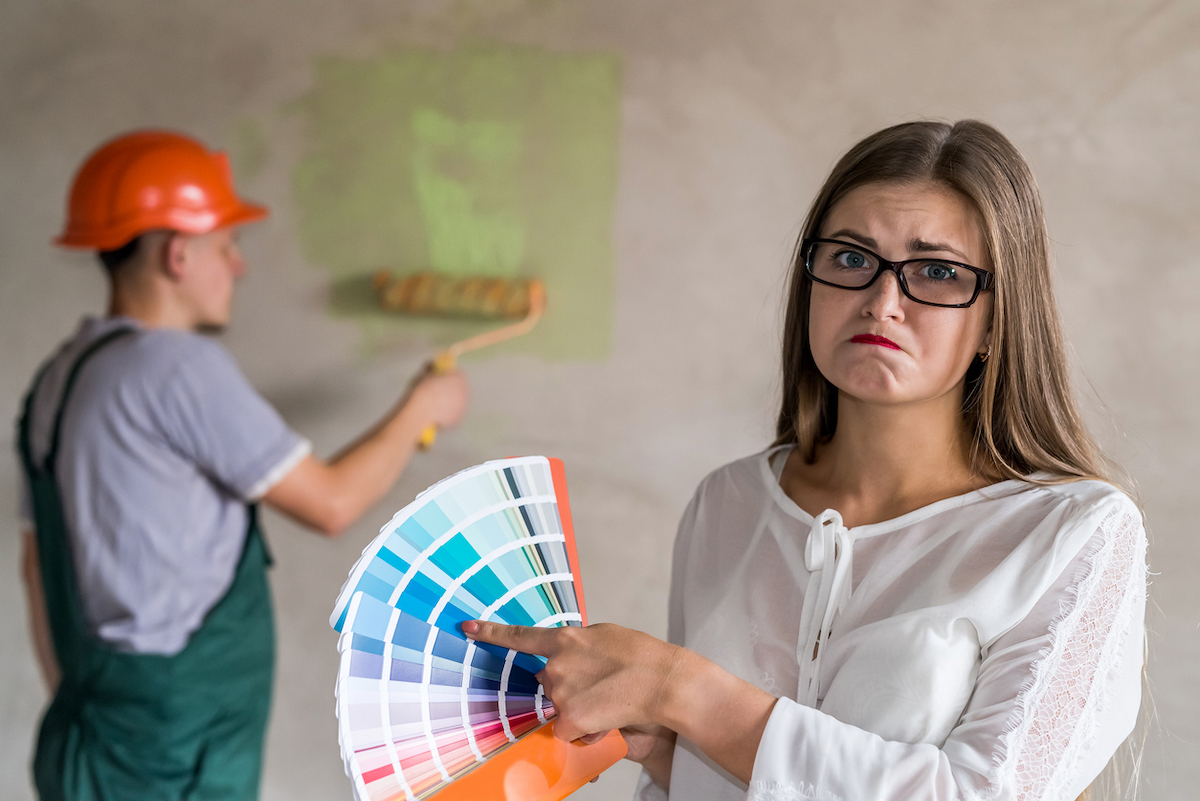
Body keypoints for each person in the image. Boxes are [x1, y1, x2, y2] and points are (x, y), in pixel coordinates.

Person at [465, 120, 1147, 800]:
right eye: (851, 258)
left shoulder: (1074, 533)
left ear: (998, 319)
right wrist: (667, 750)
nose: (882, 303)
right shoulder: (726, 502)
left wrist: (681, 688)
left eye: (937, 272)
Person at [17, 130, 468, 801]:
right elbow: (331, 503)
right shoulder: (175, 367)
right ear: (178, 254)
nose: (239, 266)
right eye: (226, 246)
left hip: (88, 731)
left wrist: (101, 708)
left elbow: (36, 565)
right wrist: (422, 407)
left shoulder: (58, 378)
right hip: (176, 750)